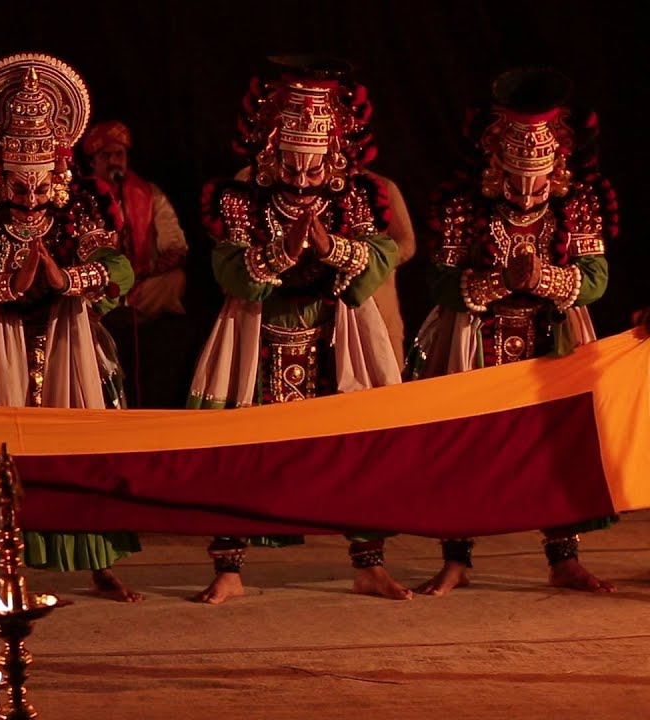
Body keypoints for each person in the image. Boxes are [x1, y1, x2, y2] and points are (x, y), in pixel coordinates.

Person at [0, 54, 142, 607]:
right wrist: (4, 286)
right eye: (19, 186)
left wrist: (65, 277)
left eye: (41, 184)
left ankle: (97, 564)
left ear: (59, 168)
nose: (32, 196)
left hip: (66, 340)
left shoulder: (82, 205)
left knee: (84, 443)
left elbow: (120, 269)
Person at [187, 56, 408, 604]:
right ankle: (230, 567)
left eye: (314, 169)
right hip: (256, 331)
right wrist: (282, 253)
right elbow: (230, 269)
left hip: (337, 333)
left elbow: (384, 254)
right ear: (270, 152)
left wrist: (333, 248)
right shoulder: (238, 199)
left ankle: (368, 563)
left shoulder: (356, 196)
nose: (304, 180)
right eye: (292, 166)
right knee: (238, 446)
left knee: (356, 445)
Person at [411, 67, 618, 595]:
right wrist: (501, 280)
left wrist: (544, 278)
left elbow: (595, 280)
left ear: (558, 168)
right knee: (465, 447)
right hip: (474, 339)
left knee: (557, 450)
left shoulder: (578, 205)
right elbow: (440, 282)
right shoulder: (461, 205)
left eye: (539, 178)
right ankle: (457, 557)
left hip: (554, 341)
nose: (528, 189)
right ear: (496, 164)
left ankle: (563, 559)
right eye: (517, 176)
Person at [81, 120, 200, 407]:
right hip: (97, 283)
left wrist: (144, 275)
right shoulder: (80, 197)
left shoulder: (149, 193)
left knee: (175, 281)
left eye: (118, 155)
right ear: (93, 161)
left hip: (143, 286)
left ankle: (127, 304)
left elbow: (175, 244)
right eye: (106, 156)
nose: (113, 162)